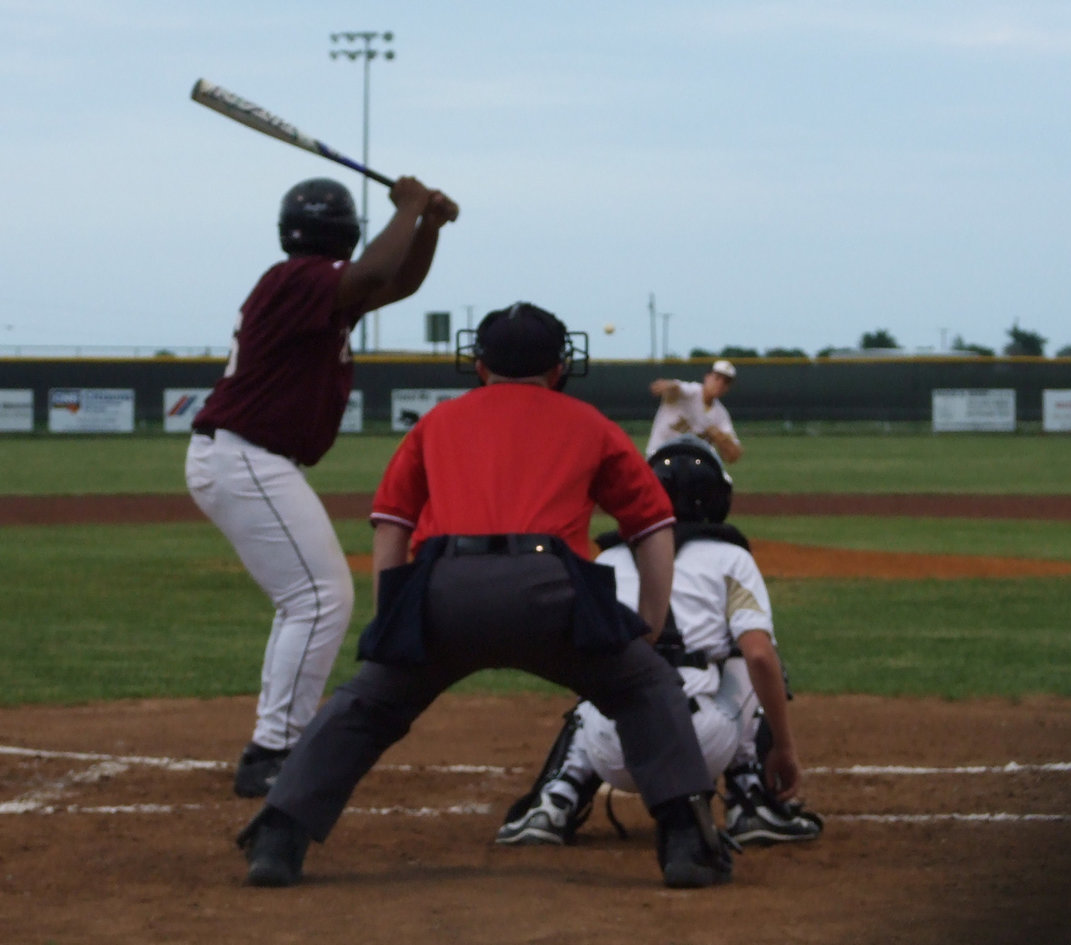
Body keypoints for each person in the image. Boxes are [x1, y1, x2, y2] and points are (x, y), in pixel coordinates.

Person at [234, 302, 734, 890]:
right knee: (645, 686)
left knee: (369, 703)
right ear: (559, 368)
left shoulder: (437, 422)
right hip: (551, 592)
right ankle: (687, 844)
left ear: (480, 366)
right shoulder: (590, 423)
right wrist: (648, 623)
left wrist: (395, 620)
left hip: (446, 586)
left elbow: (392, 525)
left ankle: (278, 837)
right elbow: (653, 527)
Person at [185, 175, 459, 798]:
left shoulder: (312, 288)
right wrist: (410, 208)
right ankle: (272, 751)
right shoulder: (299, 281)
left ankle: (276, 742)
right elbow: (374, 271)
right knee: (318, 597)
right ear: (347, 232)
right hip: (246, 456)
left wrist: (428, 226)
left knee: (310, 598)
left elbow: (398, 282)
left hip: (250, 458)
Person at [495, 435, 822, 848]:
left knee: (600, 667)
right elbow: (759, 655)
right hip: (699, 750)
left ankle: (556, 798)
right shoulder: (731, 558)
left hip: (611, 747)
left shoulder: (608, 559)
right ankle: (750, 800)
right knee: (749, 656)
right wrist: (785, 747)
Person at [645, 360, 743, 464]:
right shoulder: (692, 391)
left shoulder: (721, 414)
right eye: (717, 378)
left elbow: (734, 455)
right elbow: (676, 387)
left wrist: (717, 435)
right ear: (707, 377)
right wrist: (669, 386)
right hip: (659, 458)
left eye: (726, 382)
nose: (720, 384)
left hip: (691, 467)